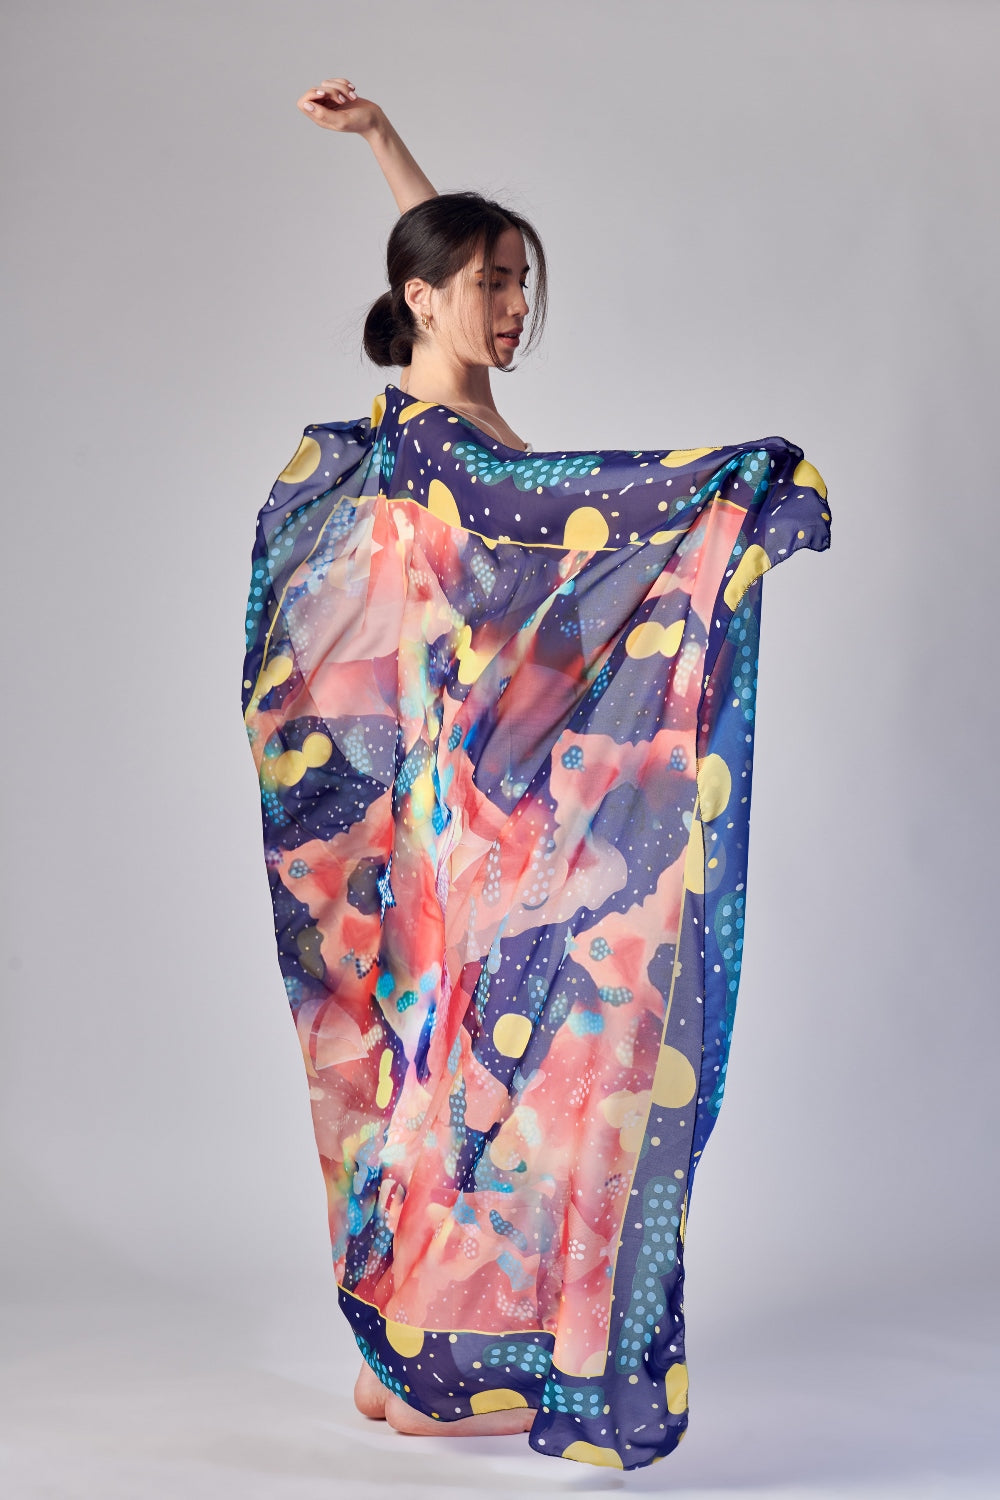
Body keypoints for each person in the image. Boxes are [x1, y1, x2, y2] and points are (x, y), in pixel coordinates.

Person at [240, 74, 832, 1471]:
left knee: (462, 1073)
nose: (512, 307)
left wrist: (385, 145)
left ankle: (410, 1357)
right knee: (472, 1074)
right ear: (423, 298)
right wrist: (725, 479)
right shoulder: (445, 452)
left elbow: (436, 257)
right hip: (470, 827)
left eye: (521, 283)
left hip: (481, 814)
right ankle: (422, 1366)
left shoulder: (453, 425)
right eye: (491, 286)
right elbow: (587, 500)